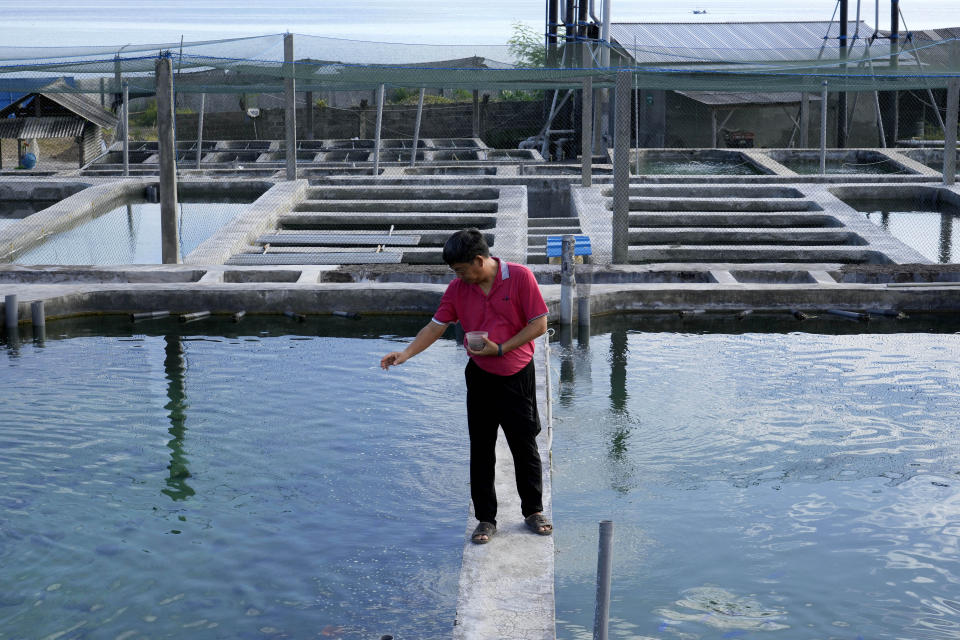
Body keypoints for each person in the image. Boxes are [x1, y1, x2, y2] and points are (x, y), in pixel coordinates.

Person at [380, 229, 553, 544]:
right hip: (480, 375)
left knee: (523, 445)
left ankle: (533, 511)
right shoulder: (458, 289)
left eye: (461, 270)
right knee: (481, 447)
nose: (458, 277)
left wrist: (500, 348)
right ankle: (486, 519)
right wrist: (405, 353)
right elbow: (436, 326)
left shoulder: (519, 277)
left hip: (516, 374)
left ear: (478, 260)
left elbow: (539, 324)